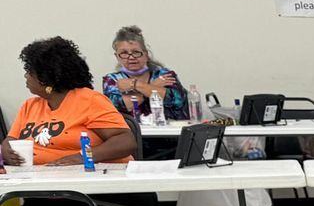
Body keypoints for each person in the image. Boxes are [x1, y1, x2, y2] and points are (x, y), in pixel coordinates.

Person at [9, 37, 133, 166]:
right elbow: (11, 140)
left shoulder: (89, 100)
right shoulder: (30, 105)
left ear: (45, 77)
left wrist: (83, 156)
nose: (26, 76)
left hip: (86, 177)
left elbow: (125, 142)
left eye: (29, 72)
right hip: (36, 178)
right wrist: (6, 151)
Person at [101, 25, 189, 122]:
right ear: (117, 56)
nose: (131, 57)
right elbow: (123, 106)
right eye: (124, 53)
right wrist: (152, 87)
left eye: (136, 52)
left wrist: (134, 85)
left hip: (171, 133)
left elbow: (176, 100)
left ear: (146, 54)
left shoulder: (164, 74)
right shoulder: (112, 80)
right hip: (133, 134)